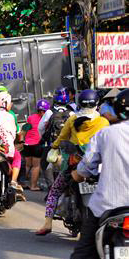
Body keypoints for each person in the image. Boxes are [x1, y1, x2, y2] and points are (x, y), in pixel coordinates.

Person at [47, 88, 129, 259]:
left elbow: (85, 167)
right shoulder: (100, 126)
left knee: (84, 253)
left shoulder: (106, 135)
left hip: (107, 206)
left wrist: (77, 176)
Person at [35, 89, 110, 235]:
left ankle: (47, 223)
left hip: (75, 163)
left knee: (54, 191)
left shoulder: (73, 119)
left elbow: (62, 138)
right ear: (97, 104)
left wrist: (54, 146)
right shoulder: (103, 121)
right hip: (99, 166)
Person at [23, 99, 50, 191]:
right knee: (36, 166)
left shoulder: (30, 117)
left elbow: (26, 128)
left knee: (27, 165)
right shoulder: (48, 119)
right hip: (37, 144)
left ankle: (22, 183)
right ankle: (33, 186)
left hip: (27, 144)